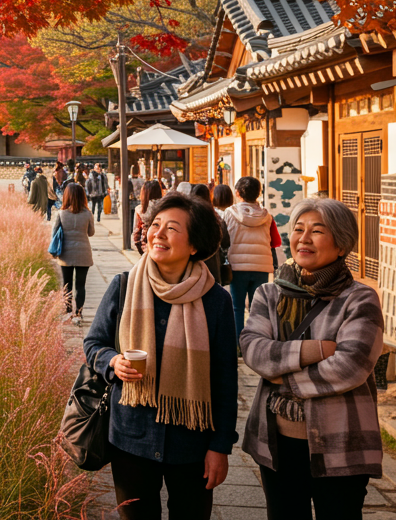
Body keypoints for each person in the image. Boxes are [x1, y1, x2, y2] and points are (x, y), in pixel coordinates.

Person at [83, 192, 238, 520]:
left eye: (172, 228)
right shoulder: (124, 285)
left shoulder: (216, 300)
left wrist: (220, 446)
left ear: (194, 244)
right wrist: (113, 362)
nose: (158, 233)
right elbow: (93, 344)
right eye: (155, 225)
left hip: (192, 441)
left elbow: (225, 379)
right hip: (130, 437)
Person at [241, 198, 384, 519]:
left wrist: (279, 375)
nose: (303, 238)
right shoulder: (270, 294)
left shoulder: (359, 299)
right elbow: (252, 349)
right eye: (298, 230)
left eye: (317, 231)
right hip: (276, 441)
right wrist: (317, 350)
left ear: (342, 243)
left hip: (342, 443)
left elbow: (350, 366)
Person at [224, 176, 278, 342]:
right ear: (258, 194)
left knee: (237, 308)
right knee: (257, 308)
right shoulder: (267, 216)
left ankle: (238, 344)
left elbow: (224, 240)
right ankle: (256, 342)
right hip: (261, 266)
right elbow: (274, 241)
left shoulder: (230, 213)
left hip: (238, 267)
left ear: (238, 193)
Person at [52, 183, 95, 323]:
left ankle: (68, 311)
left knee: (67, 284)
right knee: (81, 285)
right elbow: (91, 233)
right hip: (84, 252)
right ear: (82, 197)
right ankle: (79, 313)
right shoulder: (88, 214)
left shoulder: (61, 213)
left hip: (66, 253)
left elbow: (54, 234)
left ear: (67, 196)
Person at [190, 183, 231, 285]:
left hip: (191, 265)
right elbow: (226, 242)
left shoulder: (188, 218)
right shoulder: (215, 218)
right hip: (212, 265)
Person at [133, 180, 164, 254]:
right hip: (162, 244)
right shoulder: (164, 207)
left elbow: (136, 232)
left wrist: (140, 247)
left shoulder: (140, 209)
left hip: (146, 245)